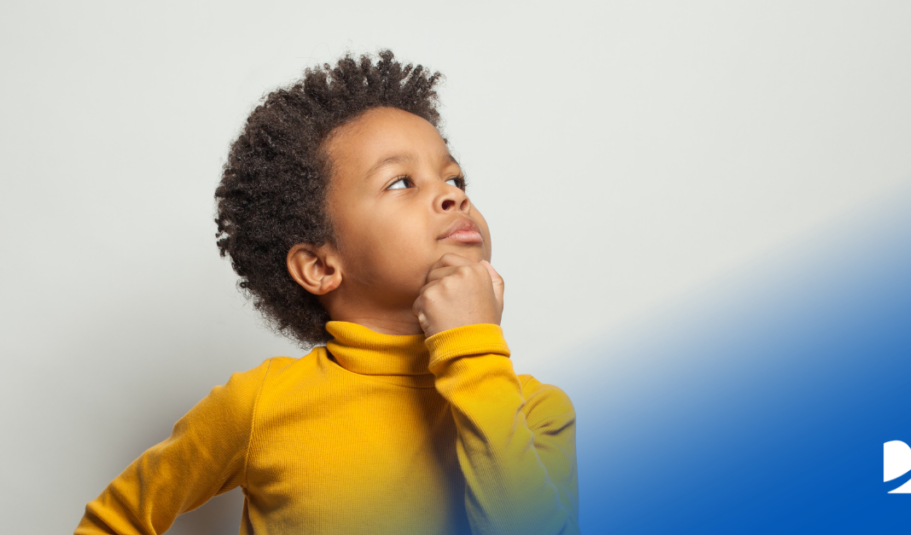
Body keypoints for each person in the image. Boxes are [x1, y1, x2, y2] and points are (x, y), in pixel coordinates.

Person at [74, 50, 579, 535]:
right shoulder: (260, 405)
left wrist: (473, 345)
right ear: (319, 266)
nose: (455, 194)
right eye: (402, 182)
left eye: (454, 177)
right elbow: (114, 521)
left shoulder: (535, 411)